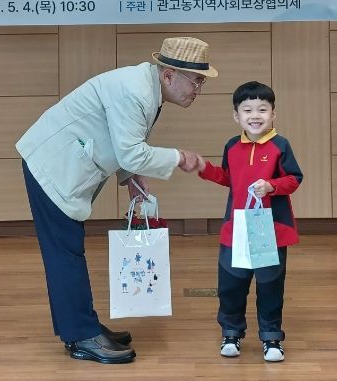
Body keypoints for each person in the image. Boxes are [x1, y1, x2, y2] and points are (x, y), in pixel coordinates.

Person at [16, 36, 218, 364]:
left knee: (67, 251)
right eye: (196, 81)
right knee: (65, 253)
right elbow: (131, 151)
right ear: (169, 75)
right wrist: (178, 157)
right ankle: (82, 336)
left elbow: (122, 140)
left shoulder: (146, 87)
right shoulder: (135, 91)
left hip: (61, 163)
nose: (198, 90)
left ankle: (84, 325)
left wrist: (130, 178)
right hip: (50, 166)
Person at [195, 81, 302, 363]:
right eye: (247, 110)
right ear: (236, 116)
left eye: (262, 109)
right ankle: (231, 333)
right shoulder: (232, 146)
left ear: (273, 114)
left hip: (269, 230)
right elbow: (228, 178)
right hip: (237, 229)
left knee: (270, 285)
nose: (255, 115)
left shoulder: (280, 145)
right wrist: (204, 169)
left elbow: (294, 179)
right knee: (231, 284)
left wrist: (271, 186)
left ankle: (271, 337)